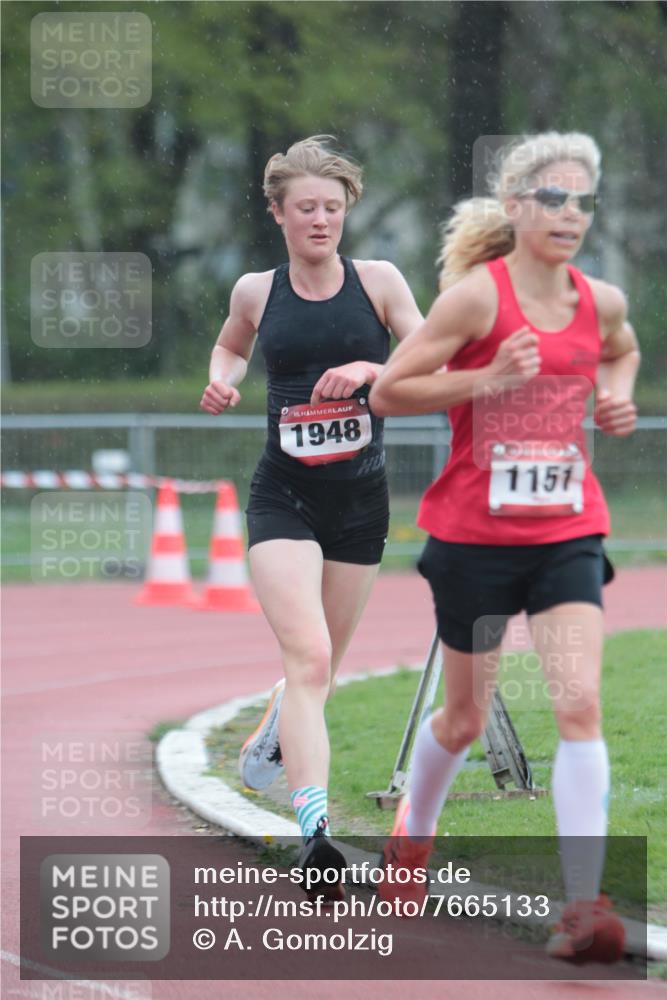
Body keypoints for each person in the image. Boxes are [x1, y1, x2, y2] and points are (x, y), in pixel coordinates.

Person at [369, 131, 640, 961]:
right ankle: (412, 837)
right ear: (516, 205)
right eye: (553, 199)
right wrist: (485, 380)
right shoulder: (474, 303)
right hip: (473, 539)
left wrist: (614, 398)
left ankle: (584, 906)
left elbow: (621, 353)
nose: (570, 216)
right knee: (462, 717)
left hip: (566, 530)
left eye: (582, 202)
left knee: (577, 705)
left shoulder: (601, 300)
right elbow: (387, 391)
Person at [200, 136, 422, 897]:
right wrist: (220, 379)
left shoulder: (381, 281)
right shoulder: (257, 291)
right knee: (311, 659)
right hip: (282, 497)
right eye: (305, 209)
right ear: (278, 214)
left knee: (322, 668)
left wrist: (370, 369)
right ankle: (316, 833)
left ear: (345, 211)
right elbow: (230, 346)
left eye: (331, 207)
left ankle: (271, 738)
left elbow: (429, 360)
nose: (320, 220)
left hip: (360, 504)